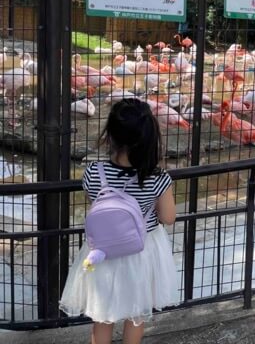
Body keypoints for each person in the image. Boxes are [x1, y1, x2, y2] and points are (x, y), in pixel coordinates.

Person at [60, 99, 179, 344]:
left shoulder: (95, 172)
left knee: (102, 315)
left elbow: (97, 202)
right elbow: (168, 217)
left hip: (103, 252)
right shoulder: (157, 178)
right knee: (136, 313)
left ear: (110, 135)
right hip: (142, 251)